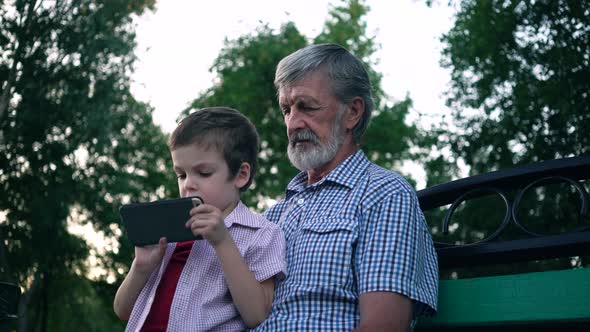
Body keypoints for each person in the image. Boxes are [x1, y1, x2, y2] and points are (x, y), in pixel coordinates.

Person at [254, 43, 438, 331]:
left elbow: (383, 327)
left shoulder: (384, 193)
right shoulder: (274, 216)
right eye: (286, 110)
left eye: (307, 107)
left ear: (352, 112)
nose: (292, 123)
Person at [114, 107, 286, 331]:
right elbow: (122, 311)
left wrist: (223, 242)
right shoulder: (168, 230)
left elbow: (257, 315)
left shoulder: (261, 234)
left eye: (203, 173)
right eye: (181, 174)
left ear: (241, 175)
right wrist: (141, 267)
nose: (188, 184)